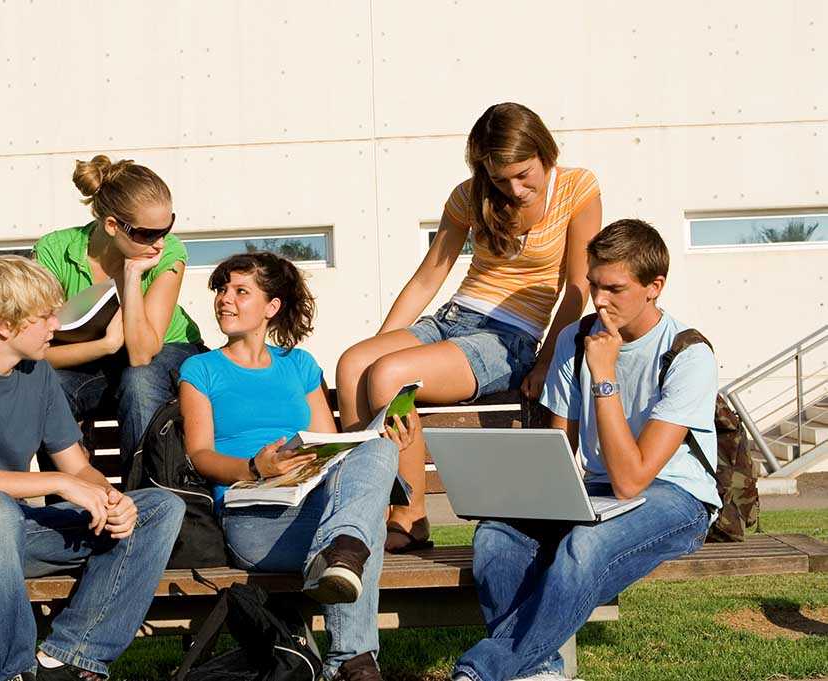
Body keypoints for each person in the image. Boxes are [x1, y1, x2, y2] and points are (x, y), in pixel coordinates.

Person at [0, 255, 185, 681]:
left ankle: (67, 659)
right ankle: (10, 674)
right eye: (45, 316)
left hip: (15, 532)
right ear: (4, 325)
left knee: (160, 507)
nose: (57, 325)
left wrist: (109, 498)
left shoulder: (38, 375)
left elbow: (78, 467)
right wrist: (57, 482)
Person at [452, 220, 720, 681]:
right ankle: (539, 671)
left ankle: (483, 669)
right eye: (594, 284)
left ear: (654, 287)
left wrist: (604, 375)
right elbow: (559, 451)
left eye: (615, 288)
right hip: (599, 491)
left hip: (676, 499)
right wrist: (538, 498)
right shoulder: (575, 340)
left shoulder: (687, 354)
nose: (599, 300)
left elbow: (632, 479)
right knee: (496, 537)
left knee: (584, 545)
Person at [336, 102, 603, 552]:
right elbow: (428, 278)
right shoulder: (469, 196)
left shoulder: (577, 188)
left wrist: (546, 360)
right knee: (353, 364)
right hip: (453, 319)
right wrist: (380, 341)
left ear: (544, 152)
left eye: (524, 174)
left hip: (509, 338)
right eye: (501, 179)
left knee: (388, 375)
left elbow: (578, 287)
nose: (515, 189)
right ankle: (363, 508)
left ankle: (411, 515)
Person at [178, 252, 410, 681]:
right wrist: (255, 467)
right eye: (222, 290)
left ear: (272, 307)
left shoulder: (299, 365)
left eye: (240, 291)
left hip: (314, 505)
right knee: (365, 532)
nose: (225, 300)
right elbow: (201, 456)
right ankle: (351, 660)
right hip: (254, 517)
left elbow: (333, 446)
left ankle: (345, 559)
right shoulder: (201, 369)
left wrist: (385, 440)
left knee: (377, 449)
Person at [34, 155, 204, 470]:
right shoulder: (53, 252)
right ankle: (68, 502)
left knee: (138, 381)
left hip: (166, 350)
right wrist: (107, 345)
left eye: (167, 228)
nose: (160, 242)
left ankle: (146, 500)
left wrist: (132, 275)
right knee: (46, 384)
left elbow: (141, 354)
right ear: (112, 225)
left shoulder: (171, 253)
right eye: (147, 234)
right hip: (95, 358)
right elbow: (36, 351)